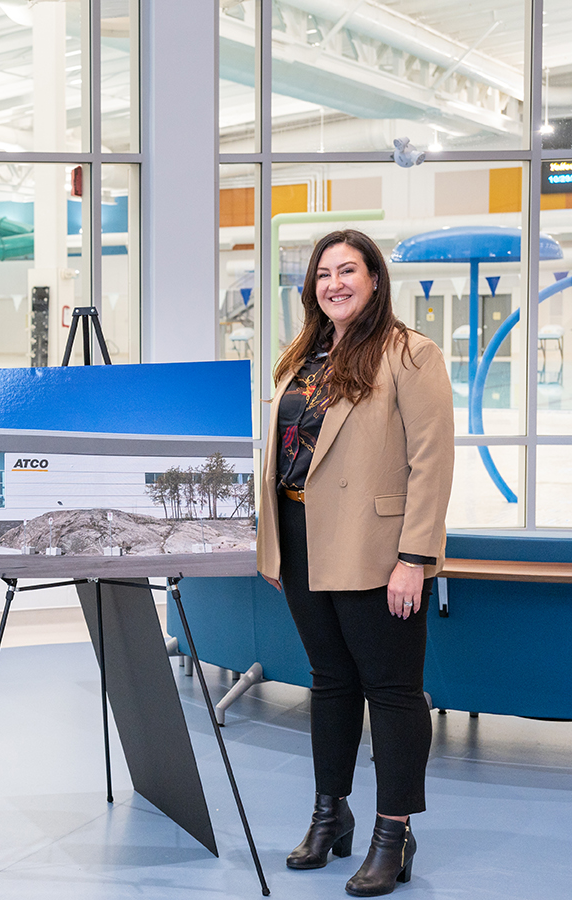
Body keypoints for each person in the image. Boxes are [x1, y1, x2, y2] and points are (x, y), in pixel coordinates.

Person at [256, 230, 454, 897]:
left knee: (391, 690)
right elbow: (286, 453)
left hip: (376, 547)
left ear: (374, 279)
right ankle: (329, 813)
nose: (333, 283)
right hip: (300, 537)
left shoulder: (411, 354)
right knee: (330, 682)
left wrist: (414, 558)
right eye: (322, 274)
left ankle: (393, 834)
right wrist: (273, 541)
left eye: (347, 271)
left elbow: (431, 462)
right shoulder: (303, 357)